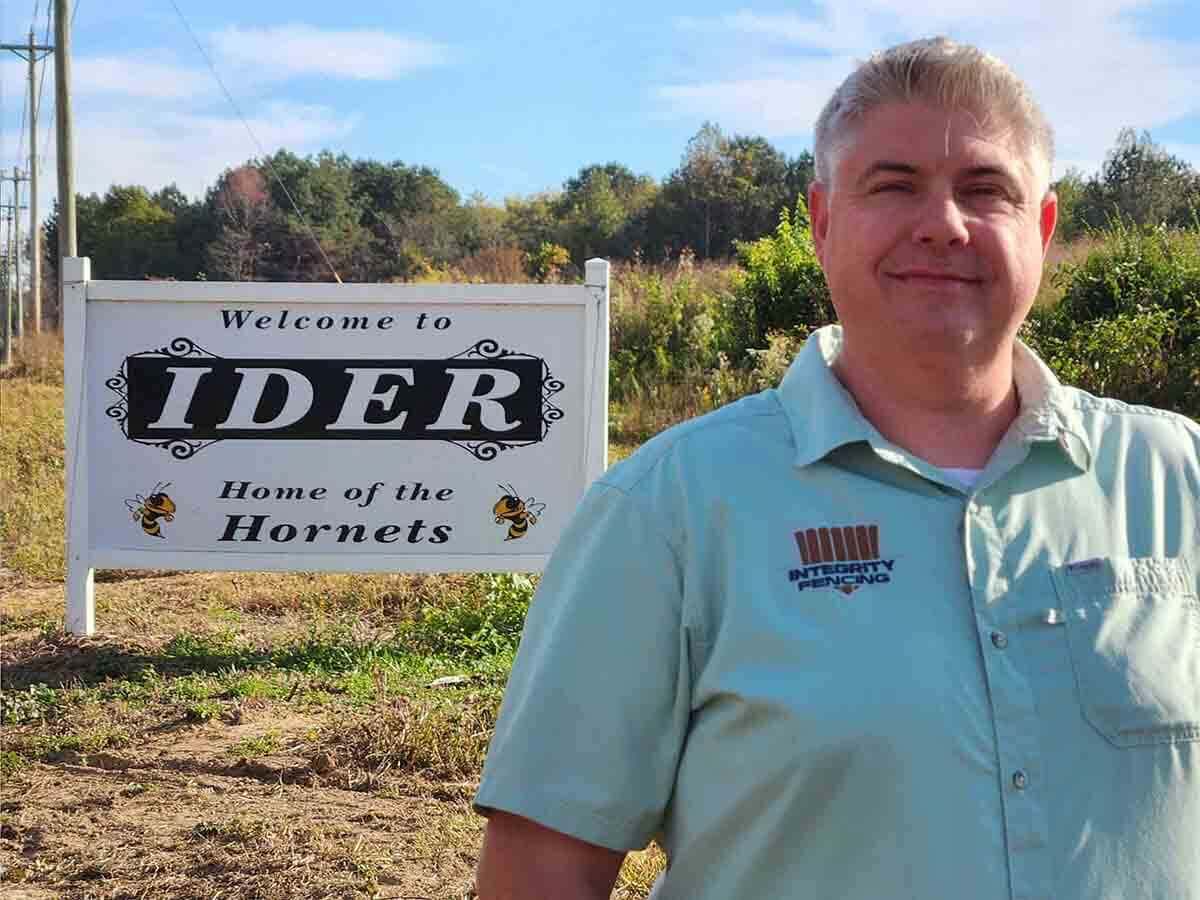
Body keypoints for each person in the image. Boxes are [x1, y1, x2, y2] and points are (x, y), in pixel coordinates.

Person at [472, 36, 1200, 899]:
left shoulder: (1177, 477)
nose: (943, 222)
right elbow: (544, 867)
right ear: (821, 221)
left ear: (1041, 228)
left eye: (985, 189)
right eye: (894, 186)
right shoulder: (668, 508)